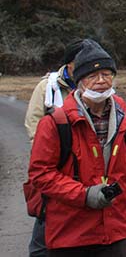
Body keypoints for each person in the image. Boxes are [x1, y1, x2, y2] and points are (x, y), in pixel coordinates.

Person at [27, 39, 126, 257]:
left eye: (107, 74)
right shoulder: (56, 122)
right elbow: (40, 174)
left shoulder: (123, 116)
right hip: (71, 232)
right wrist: (84, 195)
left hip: (115, 228)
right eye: (92, 76)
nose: (101, 81)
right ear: (79, 81)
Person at [24, 39, 84, 257]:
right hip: (53, 166)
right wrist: (45, 158)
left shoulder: (93, 85)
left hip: (84, 167)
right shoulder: (47, 87)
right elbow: (33, 122)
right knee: (46, 217)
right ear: (70, 64)